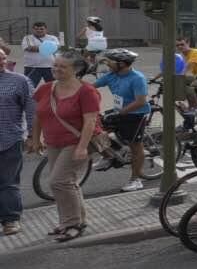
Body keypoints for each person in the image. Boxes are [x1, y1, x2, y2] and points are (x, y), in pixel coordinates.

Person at [27, 50, 101, 241]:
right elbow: (37, 116)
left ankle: (72, 223)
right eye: (55, 65)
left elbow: (90, 121)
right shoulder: (46, 89)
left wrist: (82, 147)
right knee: (67, 183)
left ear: (76, 69)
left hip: (76, 142)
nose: (56, 69)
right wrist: (35, 139)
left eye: (62, 66)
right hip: (54, 142)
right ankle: (73, 221)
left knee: (58, 181)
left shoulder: (86, 91)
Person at [94, 48, 152, 192]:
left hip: (136, 114)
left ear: (121, 64)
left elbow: (141, 102)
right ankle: (109, 156)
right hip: (119, 111)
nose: (108, 65)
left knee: (135, 146)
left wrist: (121, 113)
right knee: (96, 132)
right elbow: (91, 86)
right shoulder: (112, 75)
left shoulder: (137, 78)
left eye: (110, 62)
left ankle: (136, 180)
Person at [0, 55, 35, 236]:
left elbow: (31, 110)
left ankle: (10, 219)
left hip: (9, 140)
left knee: (8, 183)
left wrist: (32, 136)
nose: (2, 62)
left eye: (2, 58)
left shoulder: (19, 81)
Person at [20, 22, 58, 86]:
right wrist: (48, 47)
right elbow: (29, 48)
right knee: (28, 88)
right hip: (32, 67)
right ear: (33, 30)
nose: (39, 30)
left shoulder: (53, 38)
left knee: (53, 87)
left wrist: (37, 47)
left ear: (46, 29)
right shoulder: (27, 38)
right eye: (36, 29)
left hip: (50, 67)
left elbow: (55, 48)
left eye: (41, 29)